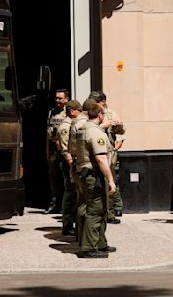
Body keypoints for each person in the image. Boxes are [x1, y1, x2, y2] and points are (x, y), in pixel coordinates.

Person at [75, 101, 117, 258]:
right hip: (94, 175)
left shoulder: (82, 129)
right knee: (95, 210)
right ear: (100, 115)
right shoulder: (96, 132)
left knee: (101, 209)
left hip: (84, 173)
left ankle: (100, 243)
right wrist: (111, 180)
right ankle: (89, 248)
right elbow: (101, 159)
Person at [88, 91, 125, 224]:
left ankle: (110, 212)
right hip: (94, 152)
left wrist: (118, 143)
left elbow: (120, 130)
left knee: (110, 182)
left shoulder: (110, 114)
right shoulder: (89, 113)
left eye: (95, 101)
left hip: (108, 153)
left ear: (102, 102)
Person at [56, 100, 82, 236]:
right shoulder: (65, 127)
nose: (80, 113)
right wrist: (72, 166)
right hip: (69, 164)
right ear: (72, 111)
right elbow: (66, 151)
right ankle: (67, 224)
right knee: (70, 194)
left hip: (72, 164)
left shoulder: (72, 124)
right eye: (79, 110)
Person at [45, 89, 69, 214]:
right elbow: (47, 133)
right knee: (54, 178)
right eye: (56, 98)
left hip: (65, 149)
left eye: (60, 98)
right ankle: (55, 204)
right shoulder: (52, 112)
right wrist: (47, 152)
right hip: (54, 149)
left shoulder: (70, 112)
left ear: (66, 99)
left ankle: (66, 205)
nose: (58, 100)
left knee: (66, 178)